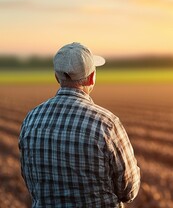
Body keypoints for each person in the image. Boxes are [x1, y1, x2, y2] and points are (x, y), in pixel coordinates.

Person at [19, 42, 140, 207]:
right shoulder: (107, 124)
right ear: (91, 77)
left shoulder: (31, 120)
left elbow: (30, 182)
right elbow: (128, 190)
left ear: (56, 77)